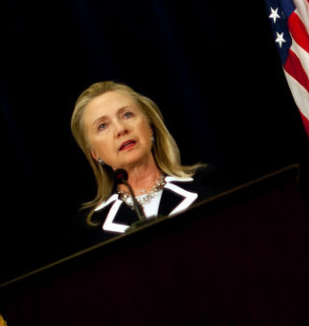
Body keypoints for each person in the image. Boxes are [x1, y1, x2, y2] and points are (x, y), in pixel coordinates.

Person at [70, 81, 211, 238]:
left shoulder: (208, 183)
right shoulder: (89, 228)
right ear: (95, 154)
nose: (121, 129)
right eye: (103, 126)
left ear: (150, 127)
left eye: (127, 114)